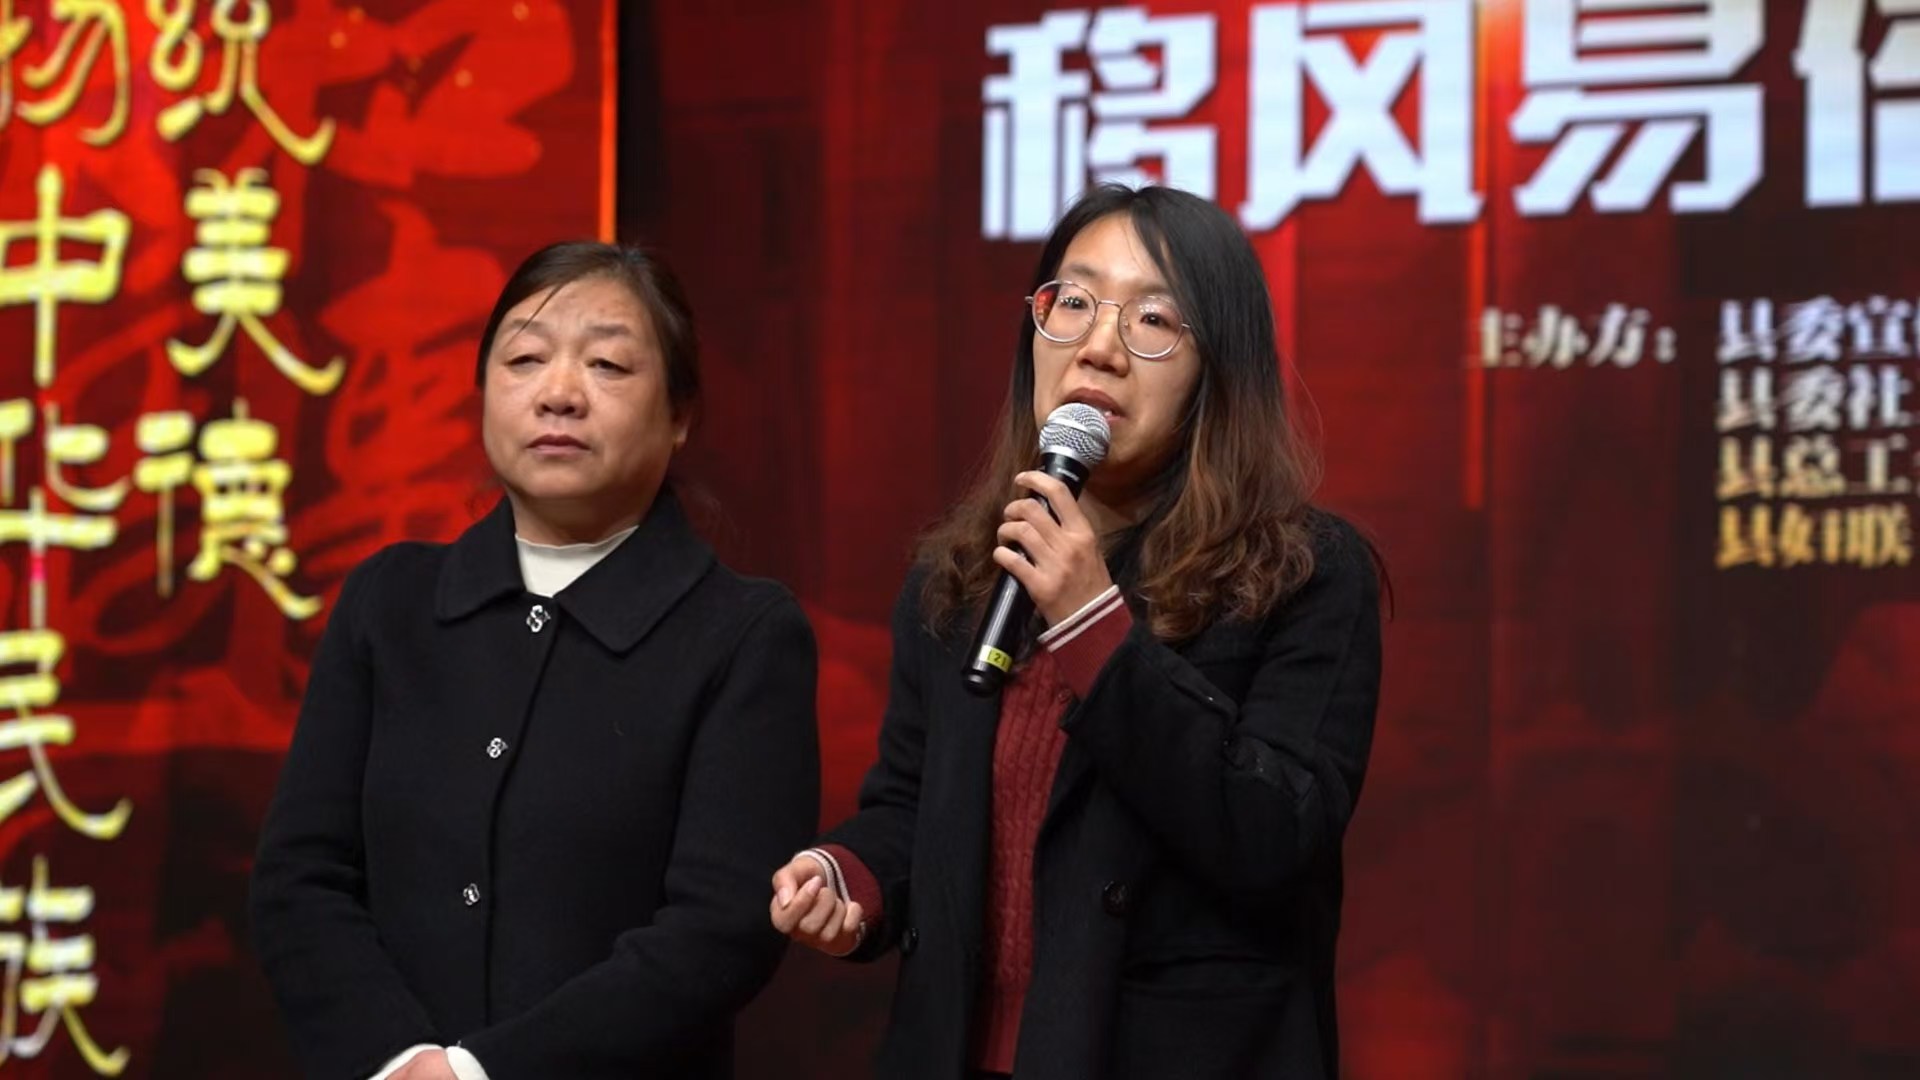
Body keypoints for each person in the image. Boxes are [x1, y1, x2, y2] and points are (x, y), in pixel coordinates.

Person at [770, 184, 1383, 1080]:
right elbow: (913, 808)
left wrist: (1095, 624)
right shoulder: (963, 574)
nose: (1099, 346)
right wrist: (849, 877)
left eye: (1153, 320)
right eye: (1073, 303)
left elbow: (1273, 835)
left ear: (1219, 368)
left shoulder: (1302, 573)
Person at [253, 242, 819, 1080]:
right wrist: (398, 1058)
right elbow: (301, 878)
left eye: (607, 365)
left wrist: (477, 1073)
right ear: (484, 391)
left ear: (680, 414)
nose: (559, 393)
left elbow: (717, 933)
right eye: (524, 359)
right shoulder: (389, 603)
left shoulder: (742, 635)